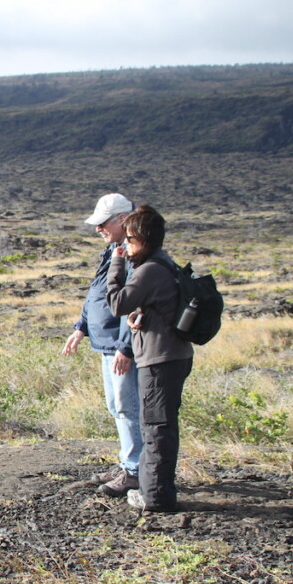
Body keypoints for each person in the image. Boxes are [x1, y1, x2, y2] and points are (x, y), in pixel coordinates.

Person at [106, 205, 193, 512]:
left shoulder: (149, 270)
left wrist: (116, 265)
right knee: (161, 427)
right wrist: (137, 318)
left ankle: (155, 498)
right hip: (171, 356)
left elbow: (116, 302)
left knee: (155, 428)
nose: (125, 246)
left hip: (160, 360)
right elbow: (155, 306)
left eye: (129, 239)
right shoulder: (163, 264)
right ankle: (157, 490)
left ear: (142, 237)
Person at [61, 193, 142, 497]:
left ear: (122, 220)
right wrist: (81, 327)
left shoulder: (133, 255)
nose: (98, 229)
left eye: (103, 223)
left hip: (118, 347)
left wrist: (125, 346)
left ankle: (134, 471)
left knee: (127, 407)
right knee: (117, 406)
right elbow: (97, 293)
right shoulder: (113, 251)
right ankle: (127, 464)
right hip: (107, 343)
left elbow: (135, 305)